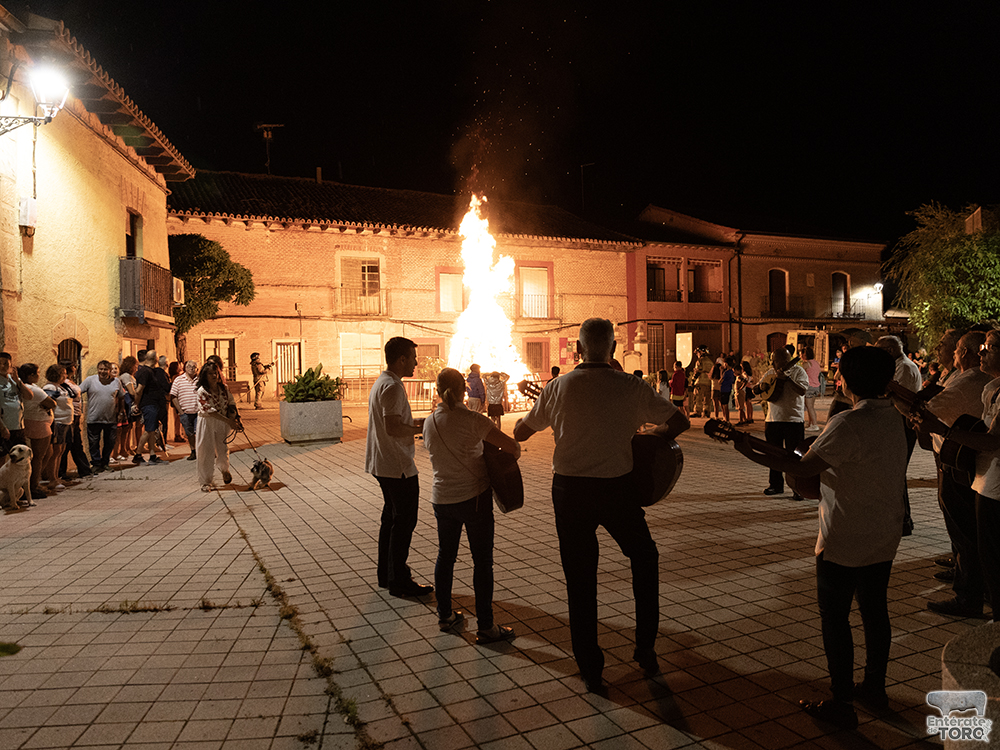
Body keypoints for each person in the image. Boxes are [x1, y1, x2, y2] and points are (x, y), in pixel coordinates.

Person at [513, 318, 690, 694]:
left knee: (580, 579)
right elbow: (679, 420)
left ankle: (590, 666)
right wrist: (650, 435)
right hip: (618, 490)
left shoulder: (558, 387)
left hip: (570, 492)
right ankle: (645, 648)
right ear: (612, 349)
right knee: (644, 558)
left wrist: (555, 413)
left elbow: (521, 432)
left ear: (578, 350)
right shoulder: (630, 385)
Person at [732, 345, 905, 729]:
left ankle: (842, 701)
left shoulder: (848, 424)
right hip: (884, 532)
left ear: (848, 379)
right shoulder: (893, 418)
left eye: (840, 372)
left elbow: (802, 466)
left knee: (836, 619)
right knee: (876, 613)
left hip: (844, 535)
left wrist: (751, 453)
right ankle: (875, 687)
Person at [423, 368, 521, 643]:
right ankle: (487, 626)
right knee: (482, 562)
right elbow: (510, 446)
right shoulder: (473, 420)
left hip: (441, 498)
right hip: (474, 499)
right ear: (464, 390)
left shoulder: (430, 422)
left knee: (446, 556)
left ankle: (445, 615)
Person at [918, 327, 1000, 622]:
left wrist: (944, 430)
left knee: (988, 551)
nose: (982, 352)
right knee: (984, 549)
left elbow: (994, 440)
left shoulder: (983, 385)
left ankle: (979, 605)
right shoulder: (991, 387)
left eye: (989, 347)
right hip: (984, 479)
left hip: (995, 485)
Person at [365, 336, 433, 598]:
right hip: (397, 465)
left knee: (391, 520)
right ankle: (399, 580)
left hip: (383, 463)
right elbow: (393, 427)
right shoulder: (392, 387)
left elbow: (393, 421)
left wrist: (419, 421)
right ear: (402, 359)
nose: (416, 363)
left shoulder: (383, 382)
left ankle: (387, 574)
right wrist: (422, 427)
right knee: (404, 522)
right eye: (413, 358)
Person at [759, 347, 808, 499]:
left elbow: (802, 390)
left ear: (789, 360)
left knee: (794, 457)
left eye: (783, 361)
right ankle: (775, 485)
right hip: (773, 419)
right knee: (774, 455)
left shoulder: (798, 372)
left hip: (793, 419)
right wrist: (762, 387)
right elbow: (759, 388)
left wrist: (787, 379)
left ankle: (798, 488)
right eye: (776, 362)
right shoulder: (769, 373)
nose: (778, 365)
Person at [195, 362, 237, 491]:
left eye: (216, 373)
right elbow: (209, 410)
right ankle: (206, 481)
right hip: (207, 421)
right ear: (204, 375)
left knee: (222, 448)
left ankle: (225, 469)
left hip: (221, 421)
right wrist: (228, 421)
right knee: (206, 451)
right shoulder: (202, 391)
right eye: (210, 373)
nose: (214, 375)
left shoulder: (223, 388)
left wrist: (234, 417)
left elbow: (231, 402)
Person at [18, 363, 56, 501]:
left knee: (45, 453)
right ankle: (34, 484)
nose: (39, 375)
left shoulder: (22, 387)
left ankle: (34, 482)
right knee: (39, 456)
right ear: (31, 375)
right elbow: (52, 403)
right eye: (37, 373)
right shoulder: (32, 389)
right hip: (39, 424)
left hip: (31, 421)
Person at [79, 361, 123, 473]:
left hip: (110, 418)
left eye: (105, 369)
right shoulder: (90, 380)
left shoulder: (116, 381)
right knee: (94, 443)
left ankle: (105, 463)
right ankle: (96, 464)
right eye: (100, 369)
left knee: (110, 442)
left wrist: (121, 412)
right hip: (94, 418)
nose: (102, 372)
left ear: (109, 370)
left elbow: (121, 397)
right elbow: (78, 392)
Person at [131, 350, 169, 465]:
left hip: (154, 404)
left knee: (152, 430)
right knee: (148, 430)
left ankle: (152, 455)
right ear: (155, 359)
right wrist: (136, 405)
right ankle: (138, 454)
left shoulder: (151, 371)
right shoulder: (145, 372)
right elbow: (139, 390)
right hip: (148, 405)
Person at [57, 363, 92, 480]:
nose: (76, 369)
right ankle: (61, 472)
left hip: (75, 415)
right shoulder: (64, 384)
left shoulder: (71, 382)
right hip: (69, 417)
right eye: (73, 367)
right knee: (67, 445)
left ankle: (84, 469)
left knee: (76, 444)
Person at [42, 365, 73, 492]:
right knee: (55, 451)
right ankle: (52, 479)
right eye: (63, 374)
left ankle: (56, 476)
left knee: (61, 450)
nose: (65, 376)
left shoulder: (61, 386)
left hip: (66, 421)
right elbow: (48, 403)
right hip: (58, 421)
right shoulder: (50, 387)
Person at [0, 352, 32, 467]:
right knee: (2, 458)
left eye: (5, 363)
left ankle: (18, 484)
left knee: (21, 459)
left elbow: (29, 396)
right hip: (4, 427)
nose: (2, 366)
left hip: (18, 427)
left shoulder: (14, 380)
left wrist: (18, 381)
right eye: (0, 363)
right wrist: (3, 428)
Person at [170, 360, 200, 461]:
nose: (191, 368)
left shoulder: (200, 381)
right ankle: (193, 451)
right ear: (185, 368)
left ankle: (200, 451)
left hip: (198, 413)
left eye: (194, 366)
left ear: (197, 369)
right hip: (185, 413)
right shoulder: (178, 380)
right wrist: (180, 411)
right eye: (189, 366)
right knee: (190, 433)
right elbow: (173, 396)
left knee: (199, 432)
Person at [117, 356, 140, 461]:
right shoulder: (126, 376)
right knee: (126, 427)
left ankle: (127, 448)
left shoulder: (131, 376)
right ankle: (123, 448)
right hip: (127, 404)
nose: (136, 368)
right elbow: (131, 391)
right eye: (135, 365)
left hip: (130, 403)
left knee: (129, 427)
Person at [803, 347, 822, 431]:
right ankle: (811, 424)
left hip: (809, 387)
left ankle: (814, 425)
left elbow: (801, 374)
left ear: (805, 354)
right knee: (811, 406)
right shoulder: (816, 363)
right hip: (816, 386)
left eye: (802, 353)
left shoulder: (806, 364)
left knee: (809, 407)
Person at [736, 360, 756, 426]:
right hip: (749, 388)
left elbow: (746, 380)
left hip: (746, 389)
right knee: (749, 404)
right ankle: (750, 417)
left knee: (746, 404)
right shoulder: (750, 373)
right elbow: (752, 380)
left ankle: (748, 418)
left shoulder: (744, 373)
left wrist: (742, 386)